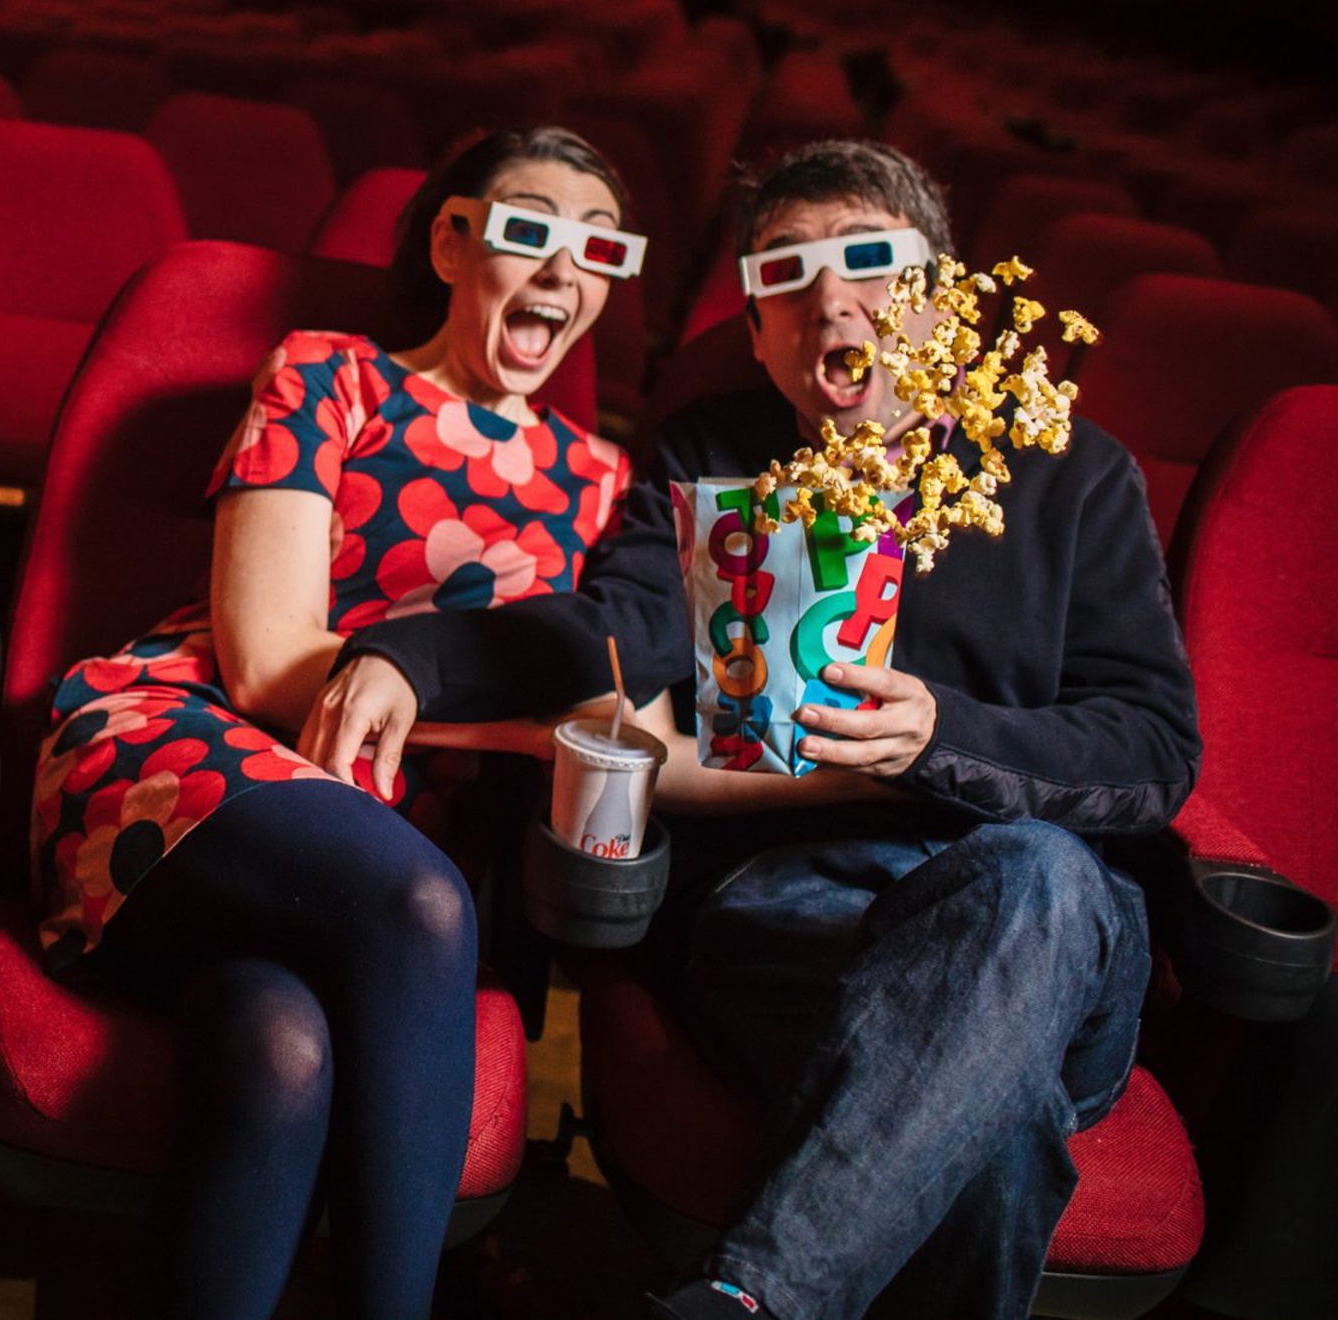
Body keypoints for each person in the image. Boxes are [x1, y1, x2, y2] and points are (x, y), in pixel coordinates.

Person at [303, 139, 1201, 1320]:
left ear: (941, 299)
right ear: (763, 333)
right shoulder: (712, 459)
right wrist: (409, 654)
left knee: (1031, 876)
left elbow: (1153, 746)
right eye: (785, 274)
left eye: (869, 261)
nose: (830, 297)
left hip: (1048, 925)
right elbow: (614, 632)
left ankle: (753, 1298)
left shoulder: (1069, 473)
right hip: (795, 919)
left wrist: (940, 735)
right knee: (990, 1117)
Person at [31, 126, 646, 1320]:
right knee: (422, 904)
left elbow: (627, 713)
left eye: (600, 248)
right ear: (453, 243)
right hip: (186, 761)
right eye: (530, 231)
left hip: (367, 855)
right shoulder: (330, 376)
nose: (565, 269)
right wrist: (521, 722)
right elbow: (268, 666)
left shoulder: (604, 484)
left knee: (278, 1052)